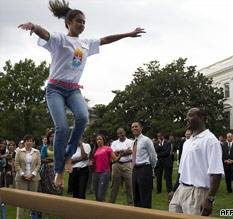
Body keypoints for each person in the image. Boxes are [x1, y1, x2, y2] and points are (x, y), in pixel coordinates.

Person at [18, 0, 146, 187]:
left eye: (84, 22)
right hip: (55, 89)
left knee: (83, 118)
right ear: (68, 22)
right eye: (79, 21)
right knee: (61, 127)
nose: (82, 25)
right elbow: (44, 34)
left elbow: (106, 39)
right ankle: (59, 171)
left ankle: (68, 155)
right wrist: (34, 26)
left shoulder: (86, 43)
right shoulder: (60, 40)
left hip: (73, 89)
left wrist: (129, 34)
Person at [168, 107, 224, 216]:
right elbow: (182, 171)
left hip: (198, 193)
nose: (186, 118)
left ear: (201, 118)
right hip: (181, 190)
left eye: (190, 115)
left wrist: (210, 199)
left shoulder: (211, 140)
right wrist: (174, 190)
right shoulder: (187, 142)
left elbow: (216, 172)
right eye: (187, 116)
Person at [131, 122, 157, 208]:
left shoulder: (146, 140)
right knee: (136, 196)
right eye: (132, 127)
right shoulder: (133, 142)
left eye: (136, 126)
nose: (134, 128)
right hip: (135, 169)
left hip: (144, 168)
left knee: (145, 196)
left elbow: (153, 156)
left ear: (141, 128)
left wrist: (151, 169)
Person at [15, 134, 41, 219]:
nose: (29, 142)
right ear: (24, 142)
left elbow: (38, 164)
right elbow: (17, 164)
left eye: (31, 141)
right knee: (21, 200)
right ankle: (19, 217)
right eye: (27, 141)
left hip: (33, 178)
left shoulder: (37, 152)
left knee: (32, 199)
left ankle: (31, 216)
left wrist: (32, 174)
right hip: (21, 178)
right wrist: (23, 174)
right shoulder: (19, 151)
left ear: (33, 142)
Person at [38, 130, 62, 219]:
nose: (53, 138)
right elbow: (42, 159)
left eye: (54, 136)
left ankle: (58, 213)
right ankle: (47, 213)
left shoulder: (59, 147)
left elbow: (61, 159)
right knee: (47, 192)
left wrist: (50, 158)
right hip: (46, 171)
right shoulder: (45, 148)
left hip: (56, 171)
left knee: (57, 191)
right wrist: (53, 159)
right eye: (51, 136)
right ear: (48, 138)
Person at [109, 128, 134, 205]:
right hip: (117, 165)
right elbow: (112, 153)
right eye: (118, 133)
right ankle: (111, 203)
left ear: (124, 132)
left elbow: (131, 151)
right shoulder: (114, 143)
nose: (120, 135)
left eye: (121, 133)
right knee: (114, 185)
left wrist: (120, 153)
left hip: (127, 164)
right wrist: (123, 152)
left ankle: (131, 204)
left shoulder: (130, 141)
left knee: (129, 184)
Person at [93, 134, 121, 202]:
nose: (99, 141)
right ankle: (98, 210)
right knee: (96, 194)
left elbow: (115, 159)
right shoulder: (95, 150)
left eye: (100, 139)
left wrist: (121, 155)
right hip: (96, 173)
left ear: (103, 140)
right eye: (97, 139)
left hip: (104, 172)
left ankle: (103, 209)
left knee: (100, 195)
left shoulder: (108, 148)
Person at [0, 138, 7, 219]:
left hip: (2, 176)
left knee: (2, 199)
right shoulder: (2, 155)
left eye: (4, 144)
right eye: (1, 143)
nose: (3, 145)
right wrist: (2, 156)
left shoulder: (4, 153)